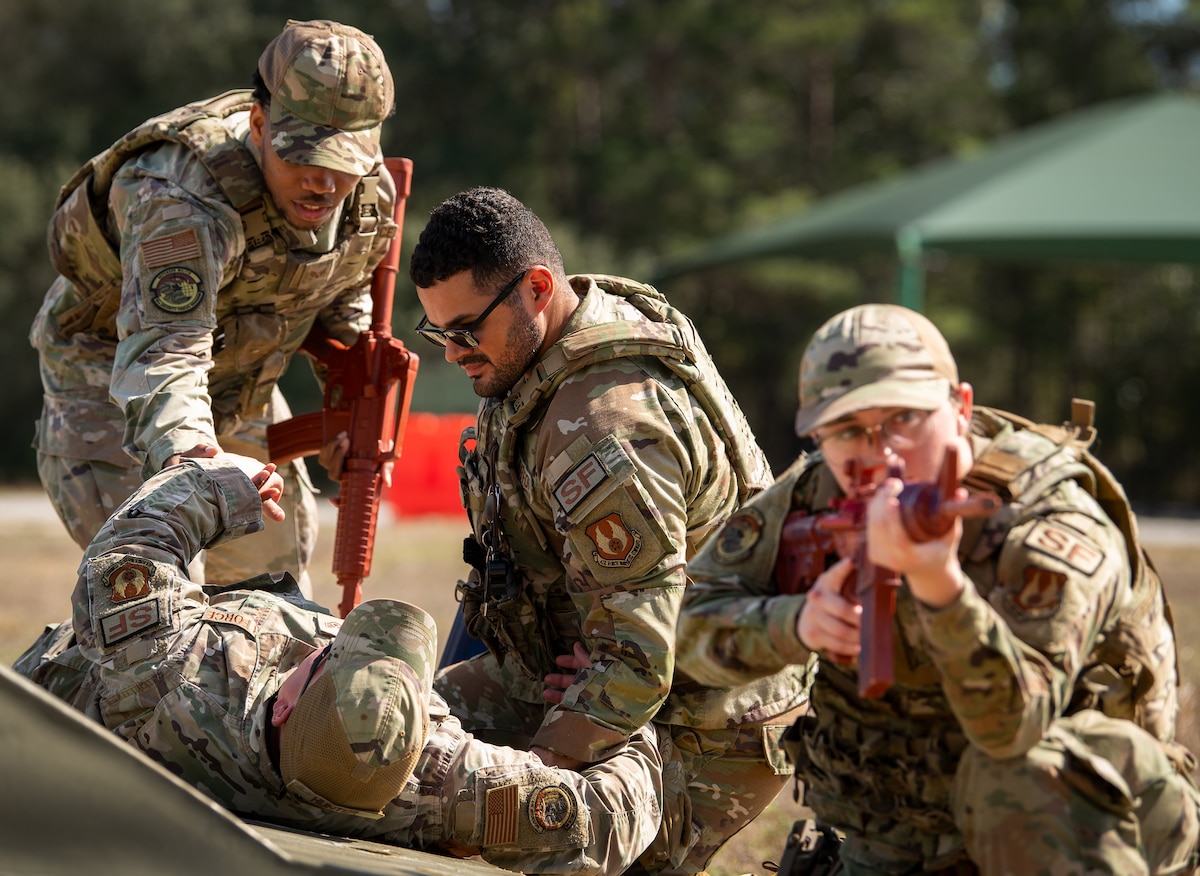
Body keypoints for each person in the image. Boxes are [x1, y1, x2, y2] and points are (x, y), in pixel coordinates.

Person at [675, 303, 1199, 875]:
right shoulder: (817, 493)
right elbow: (686, 626)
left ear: (960, 408)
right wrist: (796, 623)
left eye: (903, 419)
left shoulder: (1047, 525)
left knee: (1020, 775)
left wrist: (938, 584)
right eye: (848, 430)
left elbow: (1015, 728)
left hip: (1075, 823)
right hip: (900, 834)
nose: (879, 452)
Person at [14, 456, 688, 875]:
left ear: (283, 704)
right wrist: (621, 722)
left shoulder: (169, 672)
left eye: (329, 654)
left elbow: (129, 549)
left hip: (46, 721)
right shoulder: (427, 781)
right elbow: (604, 820)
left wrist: (222, 491)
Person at [407, 186, 810, 875]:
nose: (453, 353)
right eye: (439, 333)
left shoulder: (604, 432)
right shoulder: (546, 346)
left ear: (537, 289)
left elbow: (636, 662)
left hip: (707, 718)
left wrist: (526, 782)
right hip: (604, 659)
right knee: (402, 747)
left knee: (518, 832)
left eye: (466, 330)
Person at [30, 18, 399, 590]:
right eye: (303, 156)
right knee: (161, 597)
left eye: (345, 162)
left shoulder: (369, 201)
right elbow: (166, 354)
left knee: (271, 594)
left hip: (238, 381)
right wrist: (196, 456)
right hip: (113, 380)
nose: (323, 183)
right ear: (259, 124)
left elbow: (341, 299)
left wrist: (353, 405)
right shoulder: (181, 199)